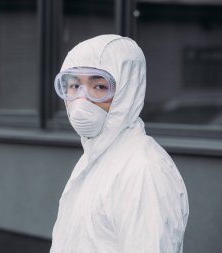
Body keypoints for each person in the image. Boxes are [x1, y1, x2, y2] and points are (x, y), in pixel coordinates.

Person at [50, 34, 189, 253]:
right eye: (74, 86)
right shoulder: (93, 158)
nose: (81, 100)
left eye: (99, 87)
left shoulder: (143, 170)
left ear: (127, 90)